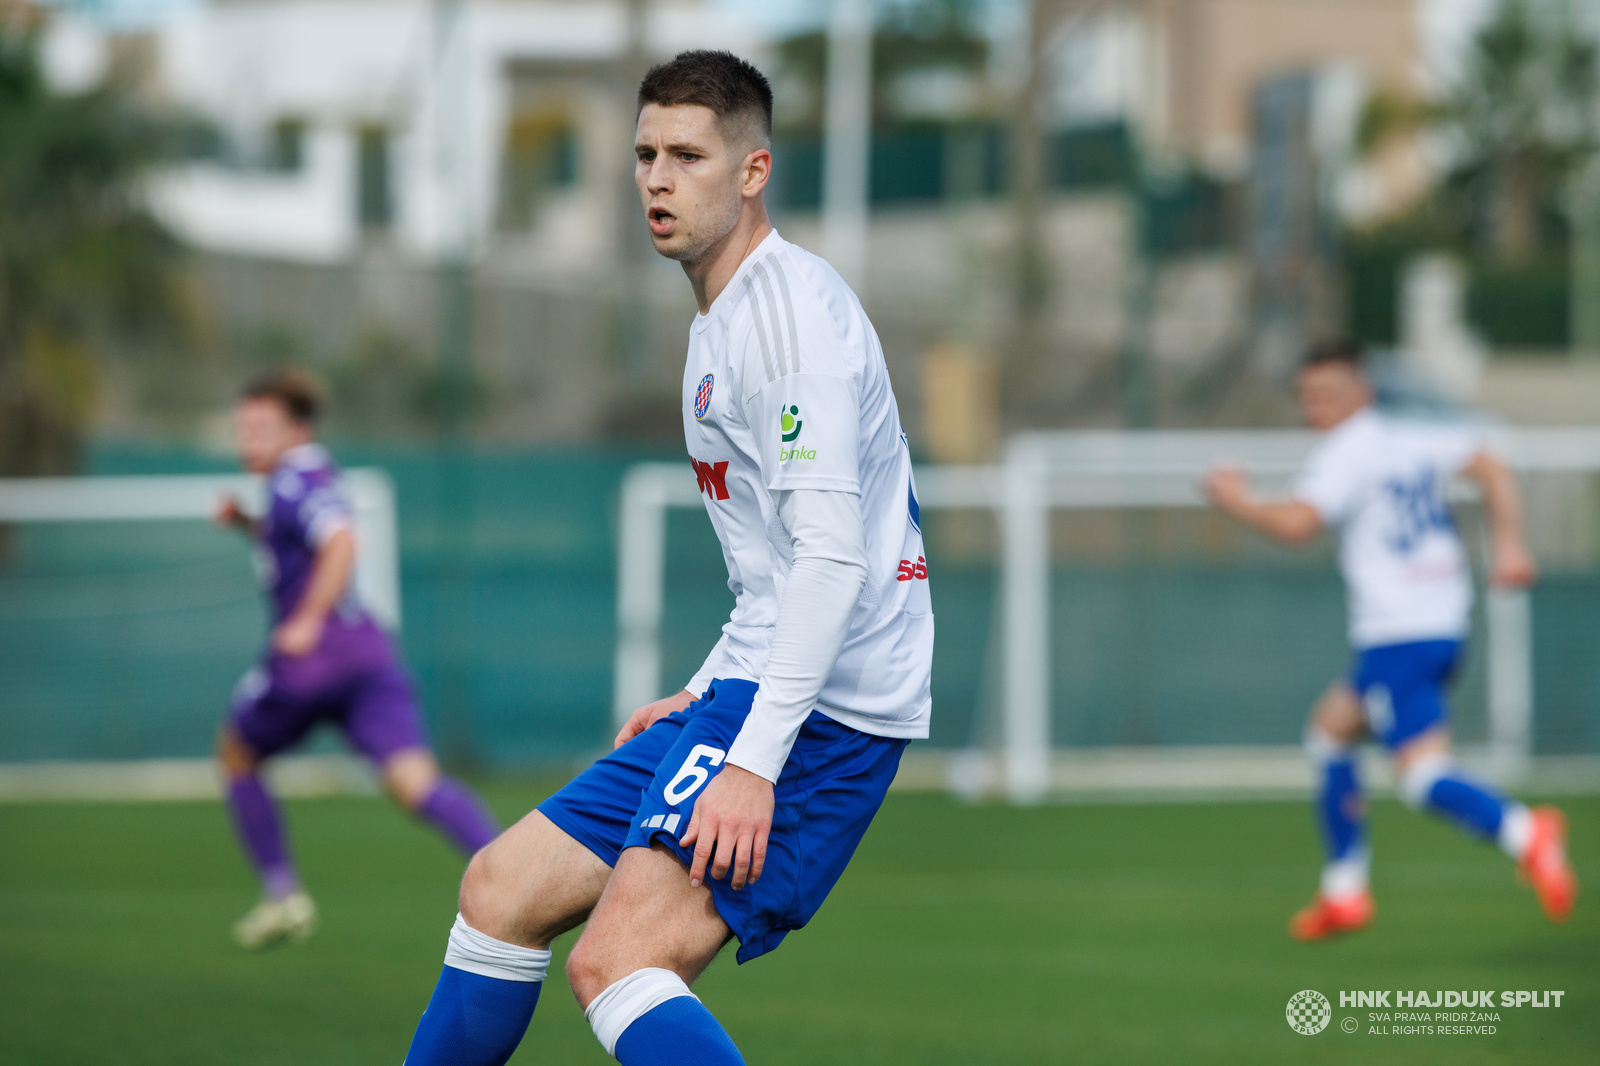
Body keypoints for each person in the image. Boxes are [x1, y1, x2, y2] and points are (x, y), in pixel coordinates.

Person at [402, 50, 932, 1065]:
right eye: (644, 153)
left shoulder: (787, 322)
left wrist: (749, 761)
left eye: (687, 154)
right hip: (757, 689)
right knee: (500, 888)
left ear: (752, 171)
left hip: (825, 711)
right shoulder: (719, 320)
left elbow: (830, 567)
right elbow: (769, 574)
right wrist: (701, 692)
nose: (655, 176)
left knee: (618, 964)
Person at [1205, 341, 1576, 940]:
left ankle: (1526, 833)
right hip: (1439, 626)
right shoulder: (1408, 438)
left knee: (1421, 777)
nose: (1313, 408)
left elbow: (1298, 525)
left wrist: (1235, 502)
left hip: (1399, 635)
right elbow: (1491, 464)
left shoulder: (1345, 454)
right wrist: (1509, 543)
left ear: (1361, 394)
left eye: (1326, 395)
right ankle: (1344, 892)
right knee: (1329, 734)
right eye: (1305, 396)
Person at [216, 370, 499, 949]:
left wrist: (305, 621)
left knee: (237, 753)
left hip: (311, 661)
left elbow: (342, 541)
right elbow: (299, 536)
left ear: (297, 429)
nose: (247, 440)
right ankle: (511, 868)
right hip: (366, 655)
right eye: (241, 428)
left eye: (260, 428)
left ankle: (282, 894)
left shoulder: (296, 480)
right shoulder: (307, 477)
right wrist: (250, 526)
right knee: (416, 784)